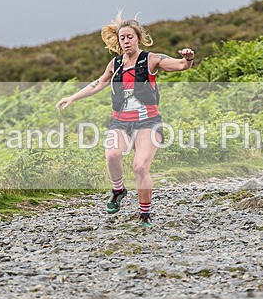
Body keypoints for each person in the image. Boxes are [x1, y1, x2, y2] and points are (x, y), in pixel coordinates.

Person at [55, 12, 194, 226]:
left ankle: (145, 215)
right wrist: (72, 97)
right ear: (118, 41)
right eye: (122, 38)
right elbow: (99, 83)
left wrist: (188, 58)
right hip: (120, 121)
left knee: (140, 167)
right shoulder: (115, 64)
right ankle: (118, 190)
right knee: (112, 155)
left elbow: (181, 66)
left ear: (138, 38)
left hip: (148, 122)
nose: (126, 41)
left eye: (130, 37)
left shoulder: (152, 59)